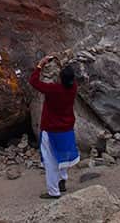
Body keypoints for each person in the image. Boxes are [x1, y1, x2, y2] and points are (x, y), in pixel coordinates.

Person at [29, 56, 79, 199]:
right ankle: (62, 180)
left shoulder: (54, 90)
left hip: (51, 130)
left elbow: (34, 82)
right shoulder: (73, 88)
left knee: (50, 160)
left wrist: (40, 65)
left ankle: (53, 191)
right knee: (63, 156)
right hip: (67, 129)